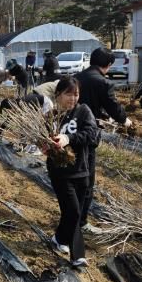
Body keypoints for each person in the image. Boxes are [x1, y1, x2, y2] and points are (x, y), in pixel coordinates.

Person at [75, 48, 133, 234]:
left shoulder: (76, 78)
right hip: (88, 135)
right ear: (108, 65)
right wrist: (125, 120)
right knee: (87, 179)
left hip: (70, 132)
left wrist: (101, 115)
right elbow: (114, 107)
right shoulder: (103, 82)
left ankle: (72, 215)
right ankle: (81, 222)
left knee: (73, 175)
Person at [43, 76, 98, 268]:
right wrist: (45, 147)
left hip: (81, 170)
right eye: (69, 94)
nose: (73, 98)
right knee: (73, 211)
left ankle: (59, 238)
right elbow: (43, 139)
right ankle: (78, 256)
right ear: (58, 94)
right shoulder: (50, 116)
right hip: (59, 172)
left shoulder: (83, 111)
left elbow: (92, 134)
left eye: (76, 94)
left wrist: (68, 138)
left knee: (73, 213)